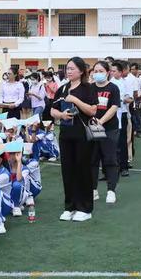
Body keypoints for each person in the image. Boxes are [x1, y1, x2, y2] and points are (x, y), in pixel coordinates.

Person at [51, 57, 97, 222]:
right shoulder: (62, 89)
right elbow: (53, 111)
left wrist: (75, 100)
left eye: (72, 68)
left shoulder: (88, 88)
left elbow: (92, 110)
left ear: (81, 71)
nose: (68, 71)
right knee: (67, 171)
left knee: (82, 170)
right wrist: (61, 114)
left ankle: (85, 208)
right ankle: (69, 206)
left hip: (83, 135)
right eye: (67, 68)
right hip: (65, 135)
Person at [91, 61, 121, 205]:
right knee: (93, 158)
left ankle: (111, 190)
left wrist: (101, 121)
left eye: (100, 70)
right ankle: (93, 190)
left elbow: (114, 107)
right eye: (95, 71)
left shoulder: (113, 88)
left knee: (109, 159)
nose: (97, 73)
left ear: (108, 72)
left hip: (109, 128)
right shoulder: (90, 88)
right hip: (93, 128)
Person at [111, 61, 133, 178]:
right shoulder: (109, 83)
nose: (112, 73)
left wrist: (121, 100)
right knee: (111, 141)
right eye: (111, 70)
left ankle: (123, 166)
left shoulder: (125, 83)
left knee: (122, 141)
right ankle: (111, 167)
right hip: (111, 114)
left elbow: (130, 98)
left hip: (122, 113)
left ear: (120, 72)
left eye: (114, 71)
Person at [130, 63, 141, 138]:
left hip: (138, 98)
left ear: (137, 69)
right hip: (131, 99)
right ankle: (133, 130)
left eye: (133, 69)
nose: (132, 71)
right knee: (132, 116)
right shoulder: (129, 78)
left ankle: (139, 131)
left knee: (138, 116)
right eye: (131, 69)